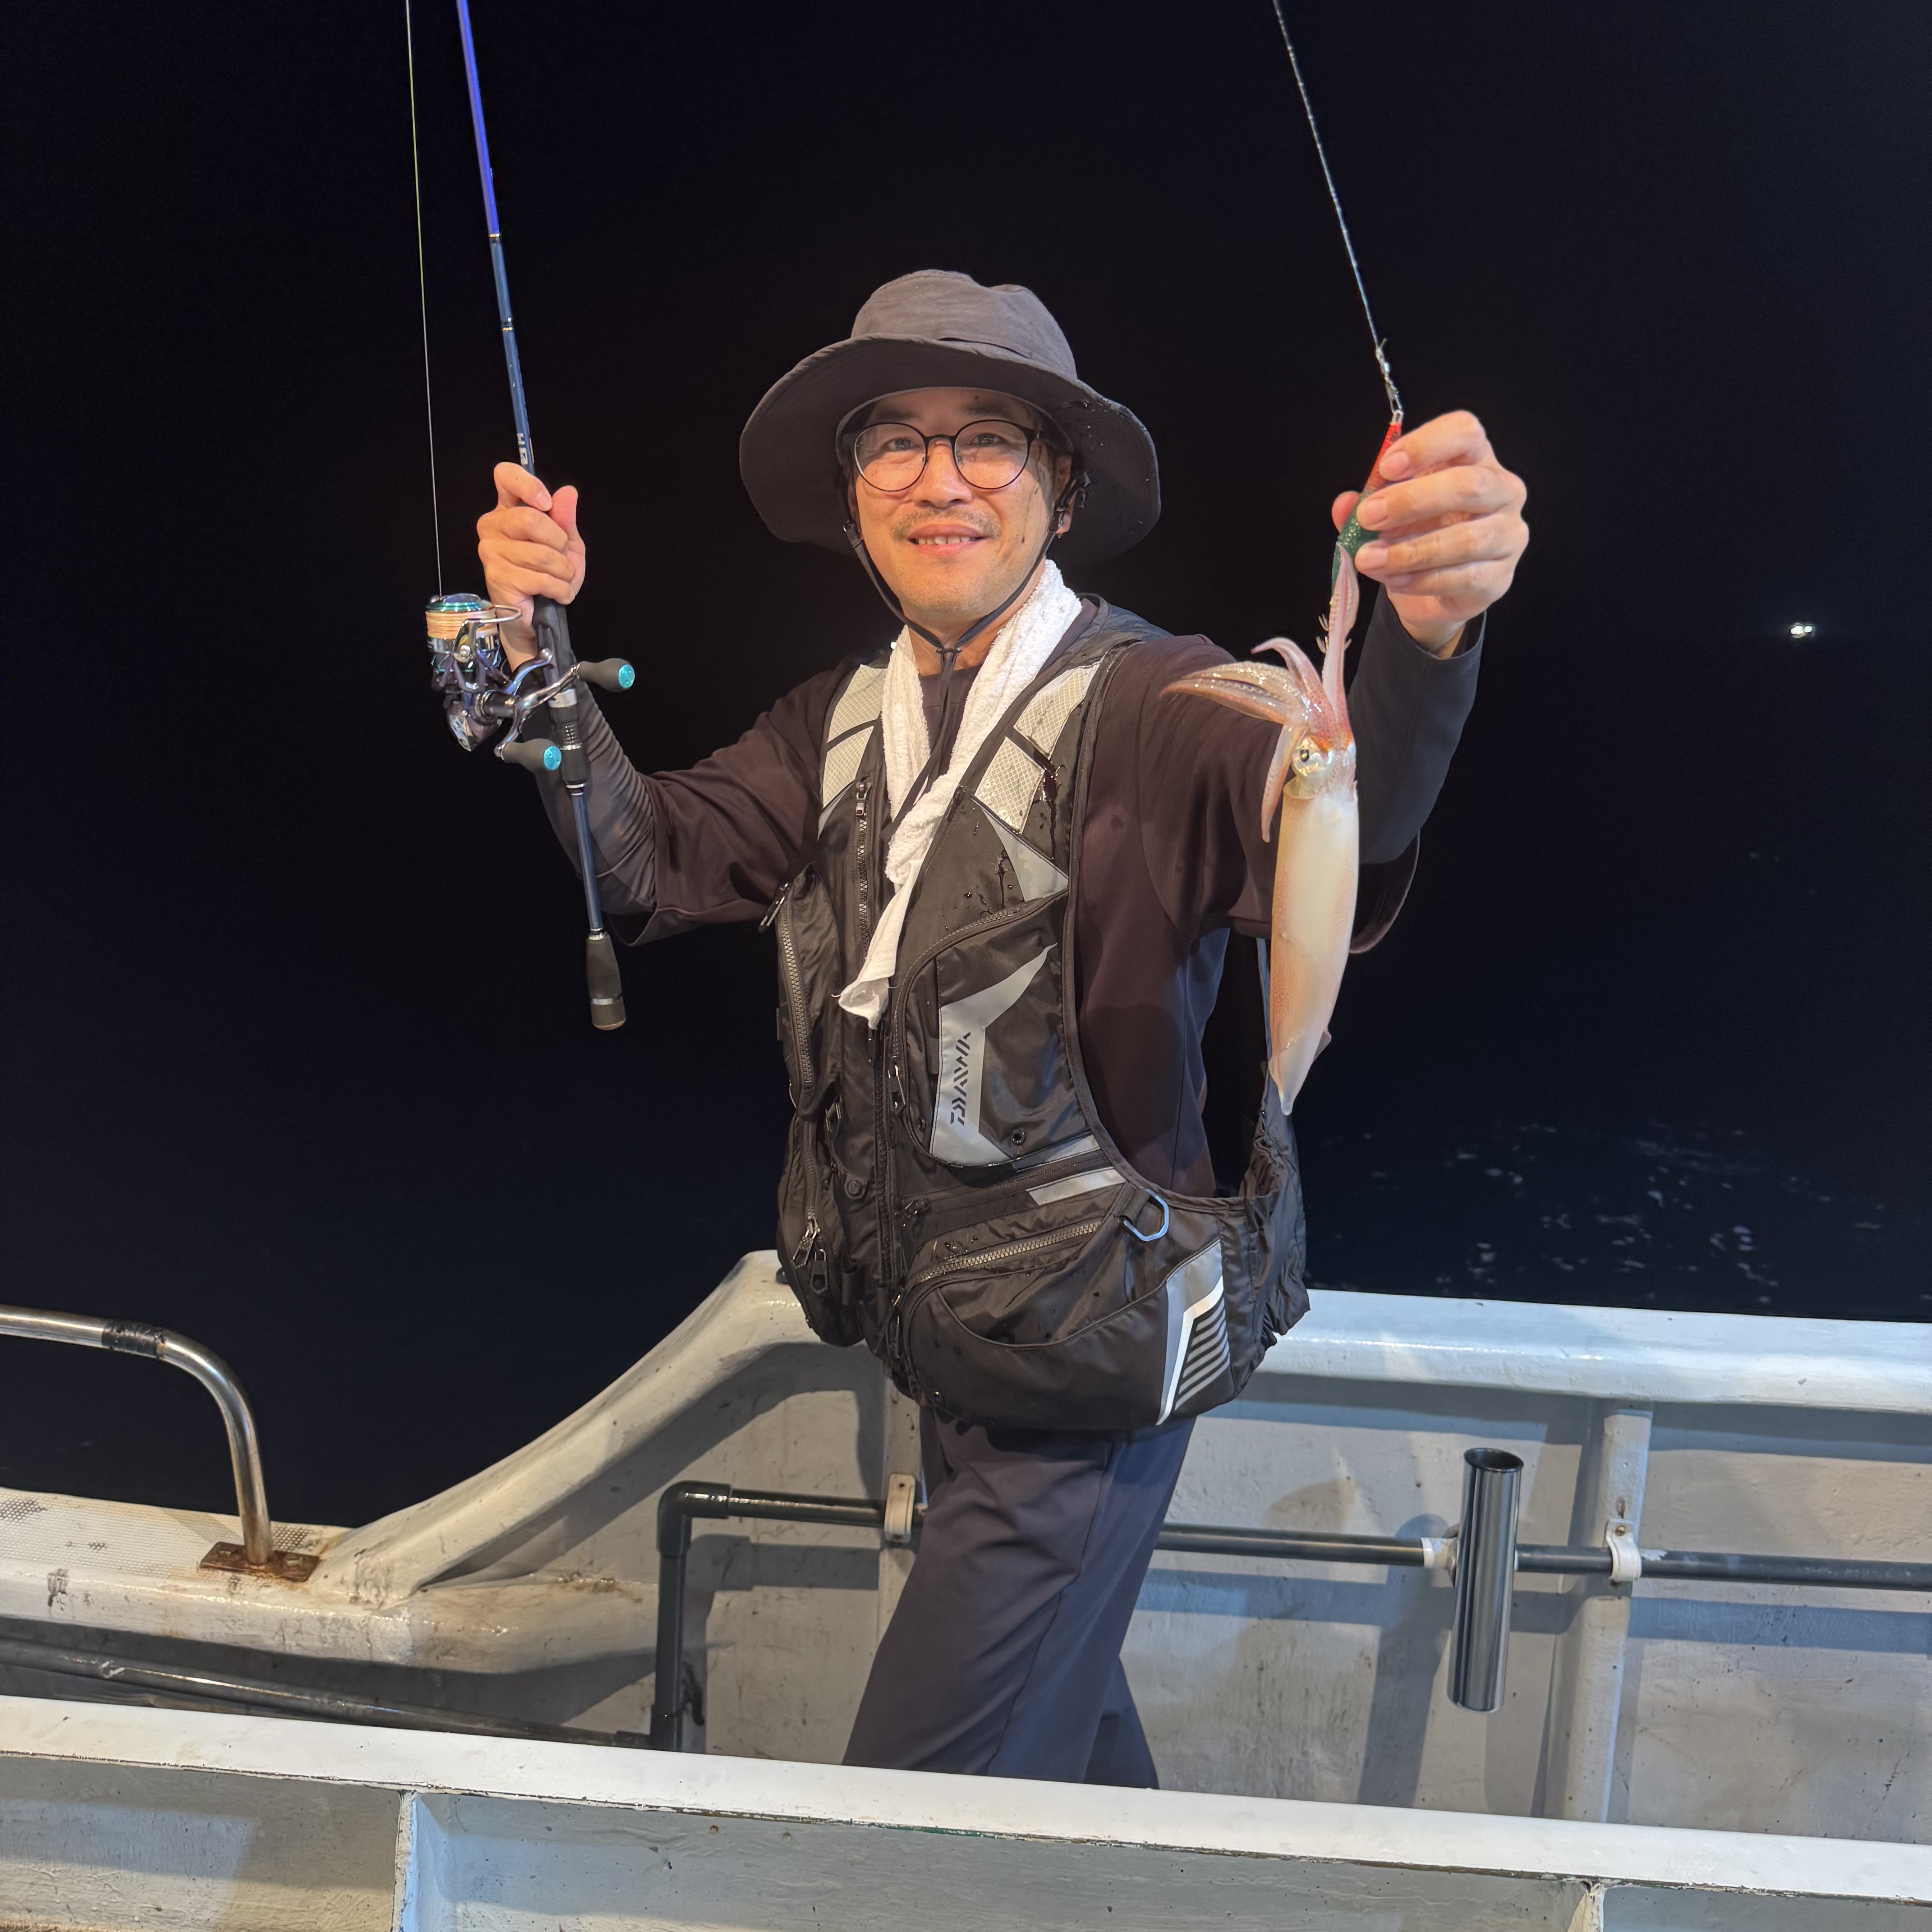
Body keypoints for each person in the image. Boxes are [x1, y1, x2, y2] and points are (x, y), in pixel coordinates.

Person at [474, 271, 1528, 1785]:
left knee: (912, 1814)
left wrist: (1425, 639)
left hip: (1084, 1378)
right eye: (894, 440)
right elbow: (646, 862)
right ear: (852, 494)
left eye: (990, 438)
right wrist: (532, 666)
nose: (940, 478)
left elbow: (1333, 807)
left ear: (1060, 486)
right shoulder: (831, 720)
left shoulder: (1165, 701)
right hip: (950, 1357)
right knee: (1072, 1761)